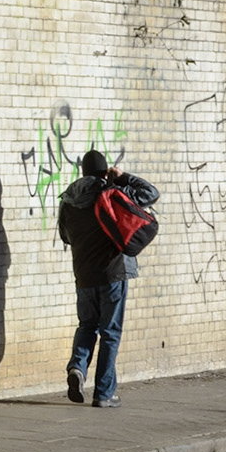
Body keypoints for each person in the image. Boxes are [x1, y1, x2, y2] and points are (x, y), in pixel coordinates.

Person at [57, 150, 159, 409]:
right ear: (104, 171)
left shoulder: (68, 199)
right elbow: (151, 193)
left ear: (82, 172)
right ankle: (103, 393)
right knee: (110, 333)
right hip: (113, 272)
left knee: (86, 325)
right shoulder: (112, 193)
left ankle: (77, 368)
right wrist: (123, 177)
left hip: (83, 274)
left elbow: (66, 236)